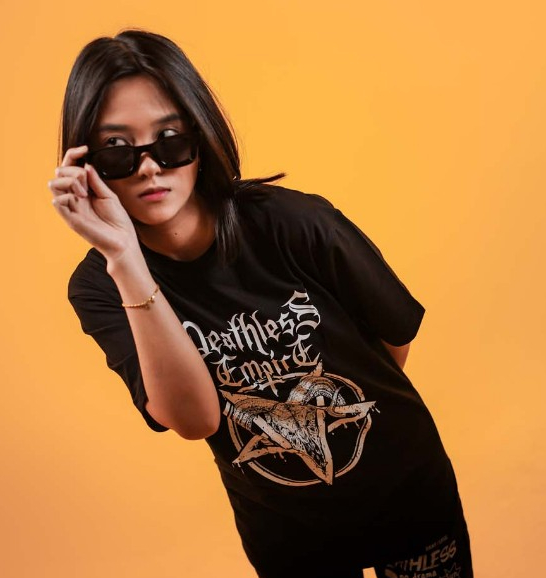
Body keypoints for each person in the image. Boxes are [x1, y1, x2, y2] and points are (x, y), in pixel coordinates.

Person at [49, 29, 473, 578]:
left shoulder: (294, 222)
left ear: (200, 133)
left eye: (170, 139)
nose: (150, 167)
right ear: (85, 162)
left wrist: (332, 423)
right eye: (117, 150)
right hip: (289, 536)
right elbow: (196, 420)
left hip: (409, 497)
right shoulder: (102, 284)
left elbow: (393, 341)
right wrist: (125, 259)